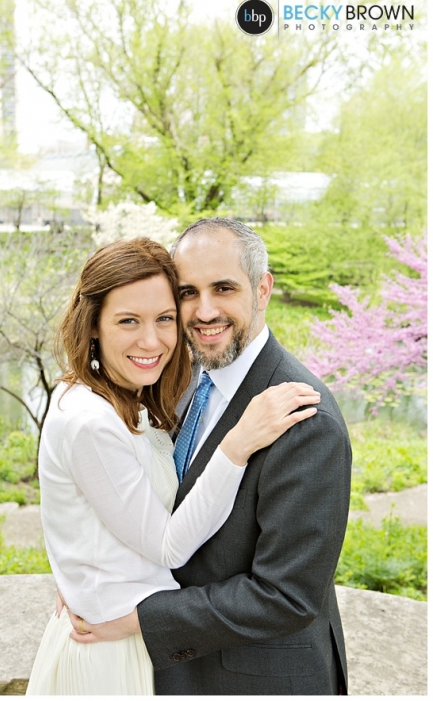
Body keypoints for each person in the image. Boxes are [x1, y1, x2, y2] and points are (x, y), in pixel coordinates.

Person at [67, 219, 352, 695]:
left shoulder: (306, 422)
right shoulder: (176, 380)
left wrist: (140, 618)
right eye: (187, 292)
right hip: (177, 673)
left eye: (223, 288)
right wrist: (88, 579)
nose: (204, 311)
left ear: (262, 290)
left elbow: (286, 595)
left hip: (256, 680)